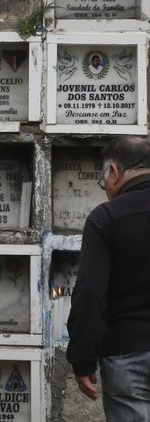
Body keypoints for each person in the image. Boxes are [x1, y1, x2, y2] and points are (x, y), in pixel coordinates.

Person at [67, 136, 150, 420]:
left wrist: (82, 360)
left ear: (114, 171)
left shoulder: (106, 218)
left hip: (127, 355)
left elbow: (90, 293)